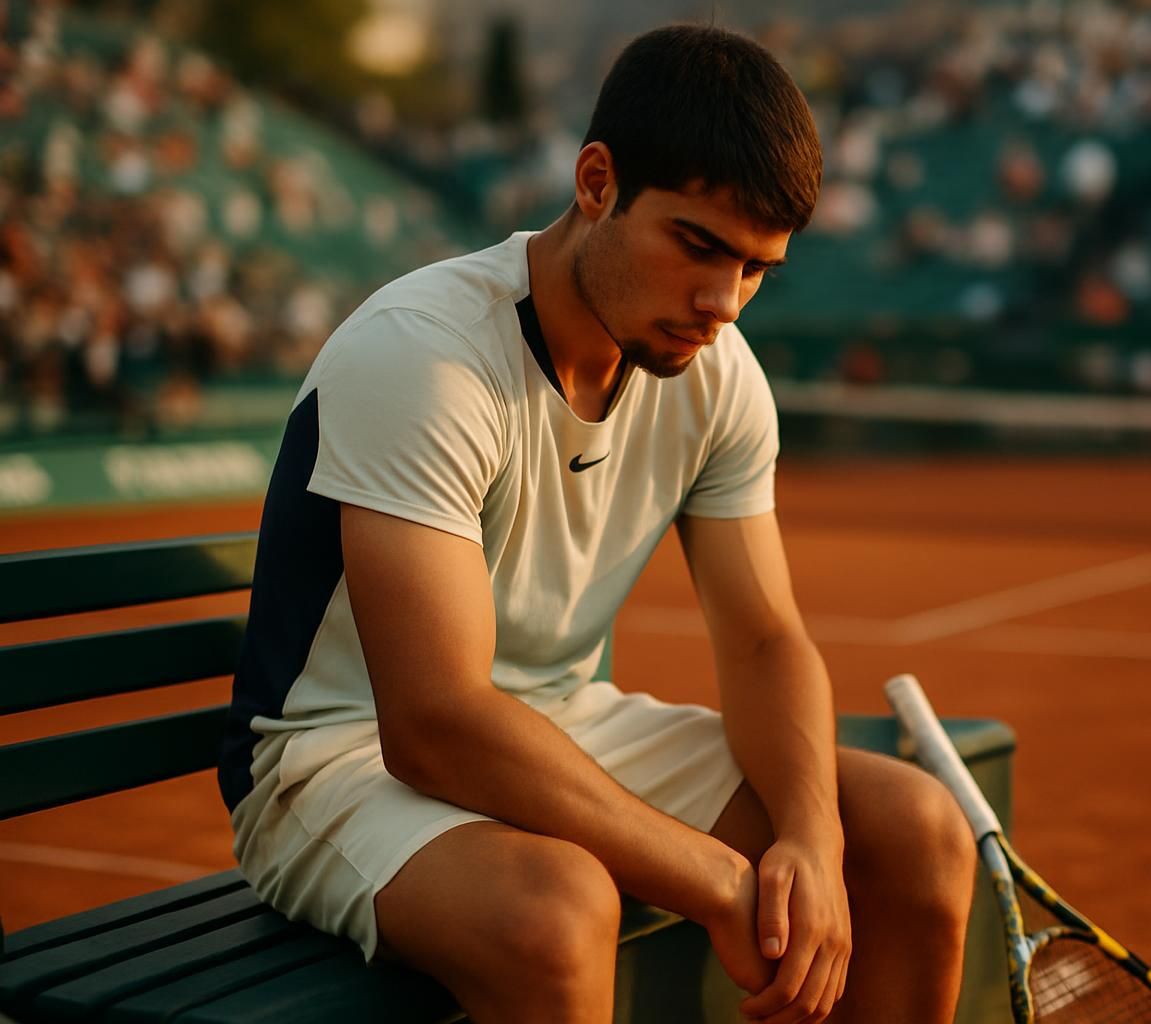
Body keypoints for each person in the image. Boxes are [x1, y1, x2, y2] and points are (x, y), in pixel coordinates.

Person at [218, 24, 975, 1024]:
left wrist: (813, 842)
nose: (722, 302)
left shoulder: (718, 376)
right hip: (334, 758)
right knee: (560, 910)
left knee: (917, 830)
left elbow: (761, 637)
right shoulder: (422, 357)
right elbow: (434, 724)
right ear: (595, 180)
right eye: (697, 245)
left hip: (558, 721)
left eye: (757, 269)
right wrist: (716, 877)